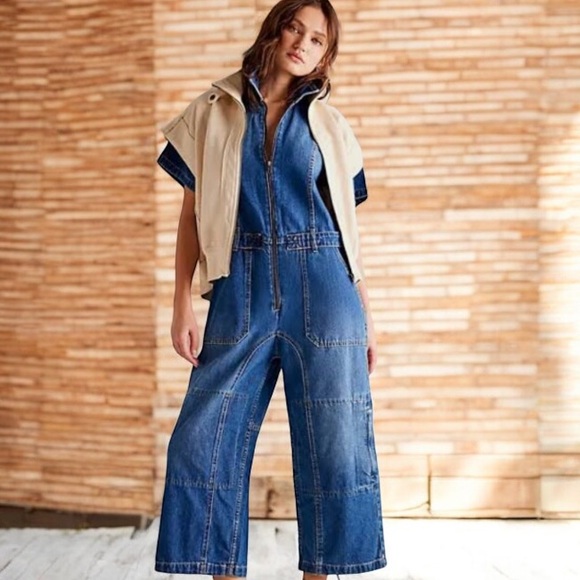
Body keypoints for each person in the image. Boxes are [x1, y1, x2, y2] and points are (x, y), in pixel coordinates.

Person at [154, 0, 387, 578]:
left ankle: (319, 575)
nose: (303, 43)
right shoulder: (212, 110)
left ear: (325, 54)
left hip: (326, 288)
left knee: (335, 442)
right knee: (203, 443)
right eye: (295, 28)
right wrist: (181, 301)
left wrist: (366, 314)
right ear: (275, 30)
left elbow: (345, 230)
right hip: (239, 284)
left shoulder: (332, 126)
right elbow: (190, 216)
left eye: (318, 39)